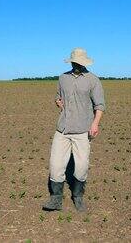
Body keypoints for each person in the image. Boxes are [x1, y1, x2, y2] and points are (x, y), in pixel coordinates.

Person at [42, 48, 105, 212]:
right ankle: (56, 199)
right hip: (62, 129)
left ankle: (78, 197)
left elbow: (99, 105)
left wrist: (95, 123)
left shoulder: (93, 80)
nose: (77, 64)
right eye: (75, 61)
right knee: (55, 165)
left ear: (84, 63)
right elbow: (57, 96)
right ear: (71, 61)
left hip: (83, 130)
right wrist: (58, 102)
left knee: (81, 167)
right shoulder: (63, 78)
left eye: (79, 62)